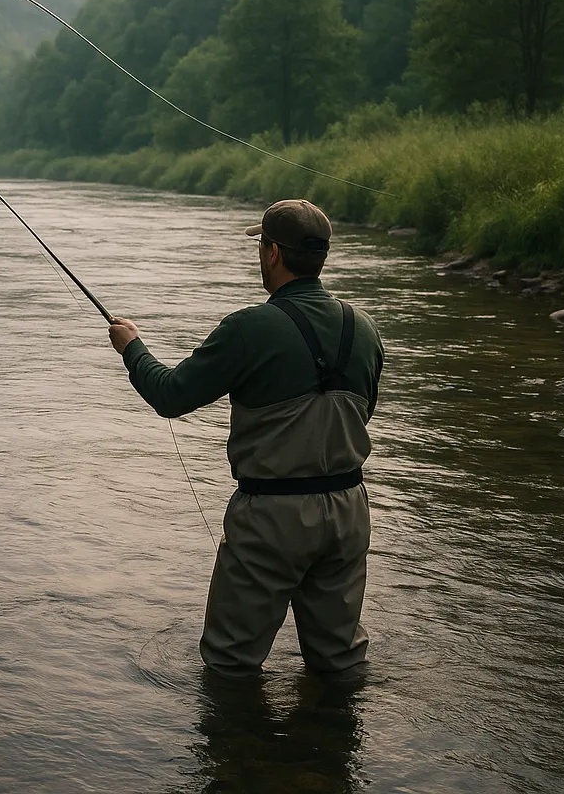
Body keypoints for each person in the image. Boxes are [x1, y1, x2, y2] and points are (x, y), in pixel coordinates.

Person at [107, 199, 383, 678]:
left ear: (273, 253)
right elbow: (363, 415)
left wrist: (132, 347)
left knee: (230, 665)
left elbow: (170, 396)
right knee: (340, 664)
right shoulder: (365, 328)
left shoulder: (249, 328)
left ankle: (238, 748)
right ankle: (338, 746)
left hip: (273, 517)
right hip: (349, 510)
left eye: (262, 246)